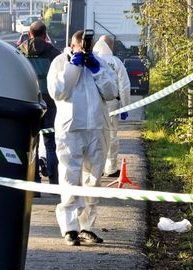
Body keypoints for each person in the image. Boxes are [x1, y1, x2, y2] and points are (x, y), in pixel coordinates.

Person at [47, 30, 117, 246]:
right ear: (72, 45)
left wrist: (96, 69)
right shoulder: (60, 62)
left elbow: (111, 92)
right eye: (81, 46)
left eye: (88, 45)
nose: (84, 49)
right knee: (70, 176)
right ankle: (70, 228)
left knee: (93, 180)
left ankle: (87, 226)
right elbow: (57, 92)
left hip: (96, 127)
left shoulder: (100, 63)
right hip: (71, 129)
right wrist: (73, 66)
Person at [18, 21, 61, 194]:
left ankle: (34, 187)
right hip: (49, 103)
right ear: (45, 35)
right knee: (51, 144)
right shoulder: (53, 53)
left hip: (29, 102)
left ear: (29, 34)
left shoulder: (19, 51)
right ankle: (54, 184)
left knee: (32, 145)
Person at [93, 35, 131, 177]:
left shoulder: (92, 60)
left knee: (95, 135)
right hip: (112, 104)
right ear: (110, 46)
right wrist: (125, 106)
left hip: (95, 103)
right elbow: (124, 86)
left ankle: (96, 168)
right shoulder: (116, 62)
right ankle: (111, 168)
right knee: (112, 135)